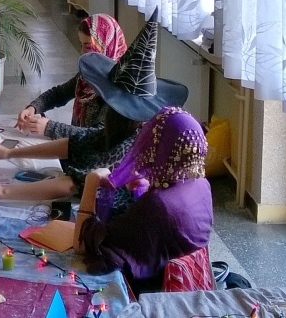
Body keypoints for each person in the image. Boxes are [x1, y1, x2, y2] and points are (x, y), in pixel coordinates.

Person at [0, 8, 189, 205]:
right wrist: (9, 152)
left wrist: (1, 191)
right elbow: (80, 143)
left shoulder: (129, 142)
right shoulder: (122, 127)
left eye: (87, 46)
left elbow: (74, 183)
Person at [74, 106, 213, 296]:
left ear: (161, 149)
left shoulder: (157, 205)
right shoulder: (201, 184)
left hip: (150, 293)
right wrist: (149, 186)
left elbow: (82, 245)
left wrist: (91, 182)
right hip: (186, 290)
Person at [17, 13, 127, 137]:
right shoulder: (90, 75)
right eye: (81, 45)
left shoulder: (118, 88)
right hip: (78, 147)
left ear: (106, 46)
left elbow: (98, 136)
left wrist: (49, 127)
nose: (82, 52)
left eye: (88, 46)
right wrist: (33, 107)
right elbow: (59, 94)